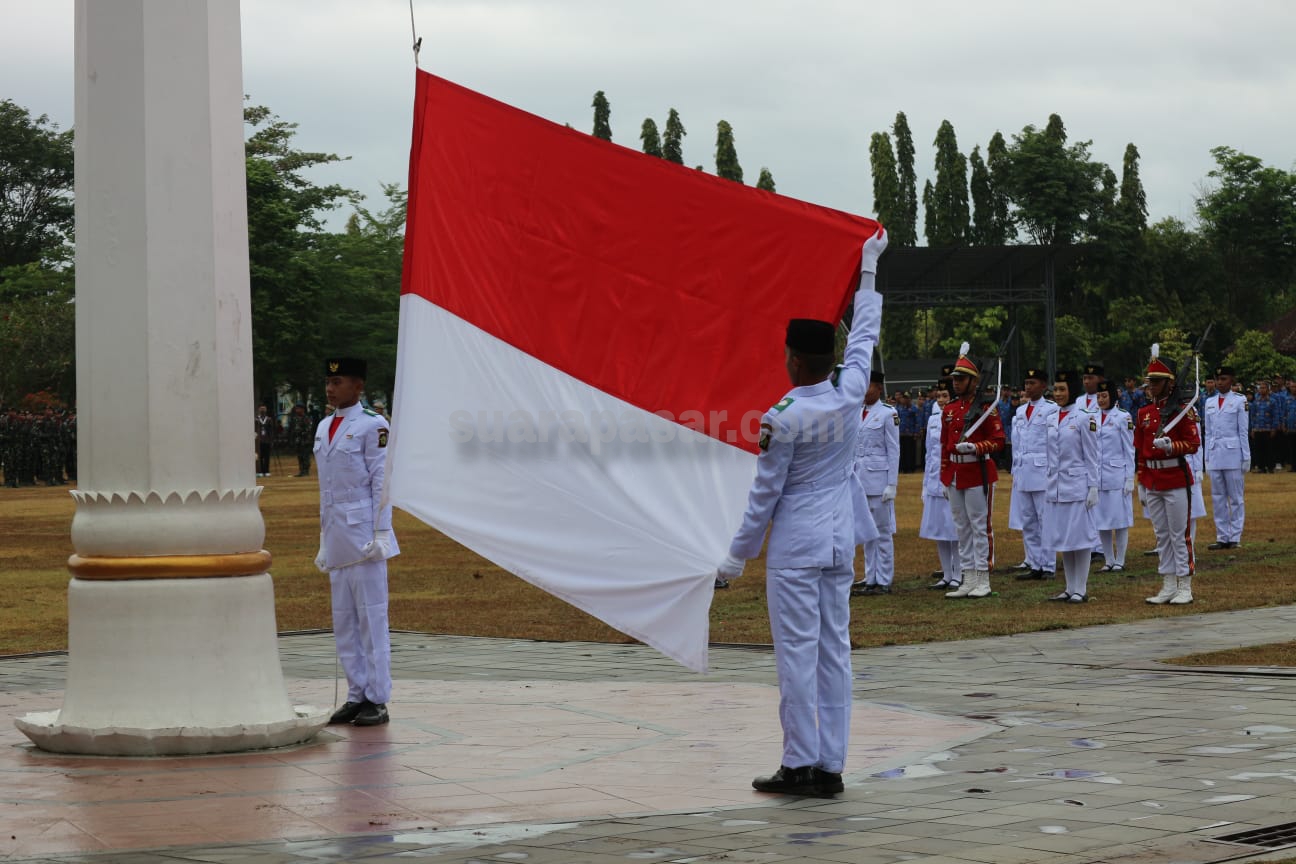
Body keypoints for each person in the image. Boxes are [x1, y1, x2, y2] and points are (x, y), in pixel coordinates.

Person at [717, 227, 887, 797]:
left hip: (796, 547)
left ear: (793, 360)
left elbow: (765, 496)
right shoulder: (850, 388)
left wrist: (736, 559)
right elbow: (864, 333)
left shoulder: (781, 416)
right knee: (834, 651)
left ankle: (798, 763)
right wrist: (868, 269)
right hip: (842, 538)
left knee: (796, 655)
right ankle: (831, 763)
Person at [315, 357, 400, 727]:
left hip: (365, 534)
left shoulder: (372, 425)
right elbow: (326, 491)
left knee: (372, 617)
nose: (331, 388)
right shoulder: (323, 427)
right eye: (329, 381)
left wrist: (382, 531)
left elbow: (381, 481)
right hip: (336, 535)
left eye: (340, 381)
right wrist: (322, 539)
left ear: (358, 387)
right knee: (344, 620)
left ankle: (377, 698)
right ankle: (355, 694)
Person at [940, 344, 1006, 599]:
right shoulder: (950, 409)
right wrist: (944, 477)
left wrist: (976, 447)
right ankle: (967, 578)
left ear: (974, 381)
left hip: (978, 472)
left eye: (961, 379)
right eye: (954, 379)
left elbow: (998, 440)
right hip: (956, 473)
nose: (956, 383)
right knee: (962, 527)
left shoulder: (987, 407)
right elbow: (944, 447)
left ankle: (983, 577)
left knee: (980, 526)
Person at [1136, 346, 1201, 605]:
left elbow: (1193, 443)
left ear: (1169, 383)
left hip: (1175, 476)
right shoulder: (1144, 413)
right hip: (1152, 479)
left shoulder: (1183, 411)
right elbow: (1139, 450)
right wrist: (1141, 480)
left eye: (1156, 382)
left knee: (1180, 534)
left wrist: (1171, 447)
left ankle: (1185, 584)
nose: (1151, 386)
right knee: (1161, 534)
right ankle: (1167, 582)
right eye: (1150, 381)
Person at [1044, 371, 1100, 601]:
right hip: (1056, 486)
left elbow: (1092, 454)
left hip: (1078, 485)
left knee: (1081, 538)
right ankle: (1069, 587)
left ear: (1071, 390)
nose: (1057, 394)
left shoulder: (1084, 417)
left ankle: (1081, 588)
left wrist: (1094, 485)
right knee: (1064, 539)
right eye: (1055, 389)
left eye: (1062, 389)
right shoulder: (1050, 418)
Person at [849, 369, 899, 596]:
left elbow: (894, 451)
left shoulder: (888, 413)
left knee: (882, 532)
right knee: (866, 532)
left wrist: (892, 483)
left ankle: (885, 579)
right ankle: (870, 578)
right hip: (859, 480)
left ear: (878, 388)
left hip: (879, 480)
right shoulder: (856, 412)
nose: (864, 389)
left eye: (868, 385)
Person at [1009, 367, 1058, 581]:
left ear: (1044, 386)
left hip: (1042, 471)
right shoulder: (1020, 412)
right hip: (1023, 471)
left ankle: (1048, 565)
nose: (1028, 387)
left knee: (1045, 520)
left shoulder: (1051, 409)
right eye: (1026, 383)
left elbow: (1055, 443)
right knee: (1028, 521)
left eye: (1033, 383)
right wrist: (1014, 468)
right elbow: (1016, 444)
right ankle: (1035, 563)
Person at [921, 380, 961, 590]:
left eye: (945, 395)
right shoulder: (933, 419)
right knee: (939, 531)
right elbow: (929, 454)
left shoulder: (959, 416)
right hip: (935, 480)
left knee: (954, 530)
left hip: (953, 479)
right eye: (939, 396)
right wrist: (925, 485)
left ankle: (958, 573)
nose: (942, 400)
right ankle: (946, 574)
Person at [1204, 365, 1249, 549]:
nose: (1220, 383)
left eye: (1224, 379)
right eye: (1218, 379)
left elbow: (1243, 430)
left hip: (1233, 453)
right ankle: (1222, 536)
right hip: (1215, 453)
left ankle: (1235, 536)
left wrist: (1246, 457)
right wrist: (1206, 458)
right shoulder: (1210, 402)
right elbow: (1207, 433)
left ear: (1231, 381)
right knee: (1217, 497)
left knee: (1236, 498)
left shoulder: (1240, 400)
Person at [1093, 381, 1135, 573]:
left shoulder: (1123, 417)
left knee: (1119, 520)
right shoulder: (1092, 417)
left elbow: (1129, 449)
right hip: (1098, 476)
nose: (1101, 400)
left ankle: (1120, 559)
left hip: (1117, 474)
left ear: (1112, 396)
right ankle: (1108, 559)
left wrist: (1129, 477)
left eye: (1104, 396)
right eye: (1098, 396)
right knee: (1101, 520)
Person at [1249, 381, 1276, 473]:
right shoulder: (1256, 402)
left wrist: (1274, 428)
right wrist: (1252, 428)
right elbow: (1252, 416)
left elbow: (1275, 416)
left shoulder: (1272, 401)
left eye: (1264, 388)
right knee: (1259, 449)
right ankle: (1261, 467)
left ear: (1268, 390)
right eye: (1260, 388)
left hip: (1268, 429)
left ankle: (1270, 467)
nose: (1262, 389)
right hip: (1257, 429)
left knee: (1269, 449)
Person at [287, 403, 315, 477]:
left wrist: (300, 432)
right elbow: (293, 428)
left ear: (302, 409)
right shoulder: (295, 418)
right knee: (299, 456)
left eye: (298, 408)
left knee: (305, 456)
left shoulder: (306, 418)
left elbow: (308, 429)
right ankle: (301, 471)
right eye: (296, 408)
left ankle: (306, 471)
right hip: (298, 440)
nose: (297, 410)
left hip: (305, 441)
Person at [255, 404, 275, 477]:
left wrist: (271, 440)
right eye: (261, 409)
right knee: (260, 456)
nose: (262, 410)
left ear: (266, 410)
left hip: (267, 441)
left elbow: (271, 431)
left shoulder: (269, 419)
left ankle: (266, 470)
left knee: (267, 456)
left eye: (264, 409)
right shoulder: (256, 419)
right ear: (259, 410)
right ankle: (260, 471)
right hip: (259, 441)